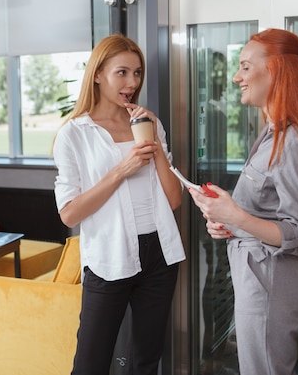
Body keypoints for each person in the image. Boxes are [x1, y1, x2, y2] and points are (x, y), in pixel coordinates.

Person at [188, 28, 298, 374]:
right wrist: (226, 220)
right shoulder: (272, 134)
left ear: (274, 71)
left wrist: (237, 217)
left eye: (245, 66)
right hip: (261, 275)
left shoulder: (292, 141)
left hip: (271, 280)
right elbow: (267, 213)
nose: (236, 76)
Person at [53, 33, 185, 375]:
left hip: (159, 253)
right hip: (108, 256)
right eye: (122, 72)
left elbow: (173, 199)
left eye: (137, 73)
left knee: (145, 360)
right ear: (97, 74)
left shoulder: (149, 123)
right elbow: (69, 212)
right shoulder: (75, 134)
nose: (132, 82)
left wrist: (153, 141)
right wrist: (122, 170)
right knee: (90, 364)